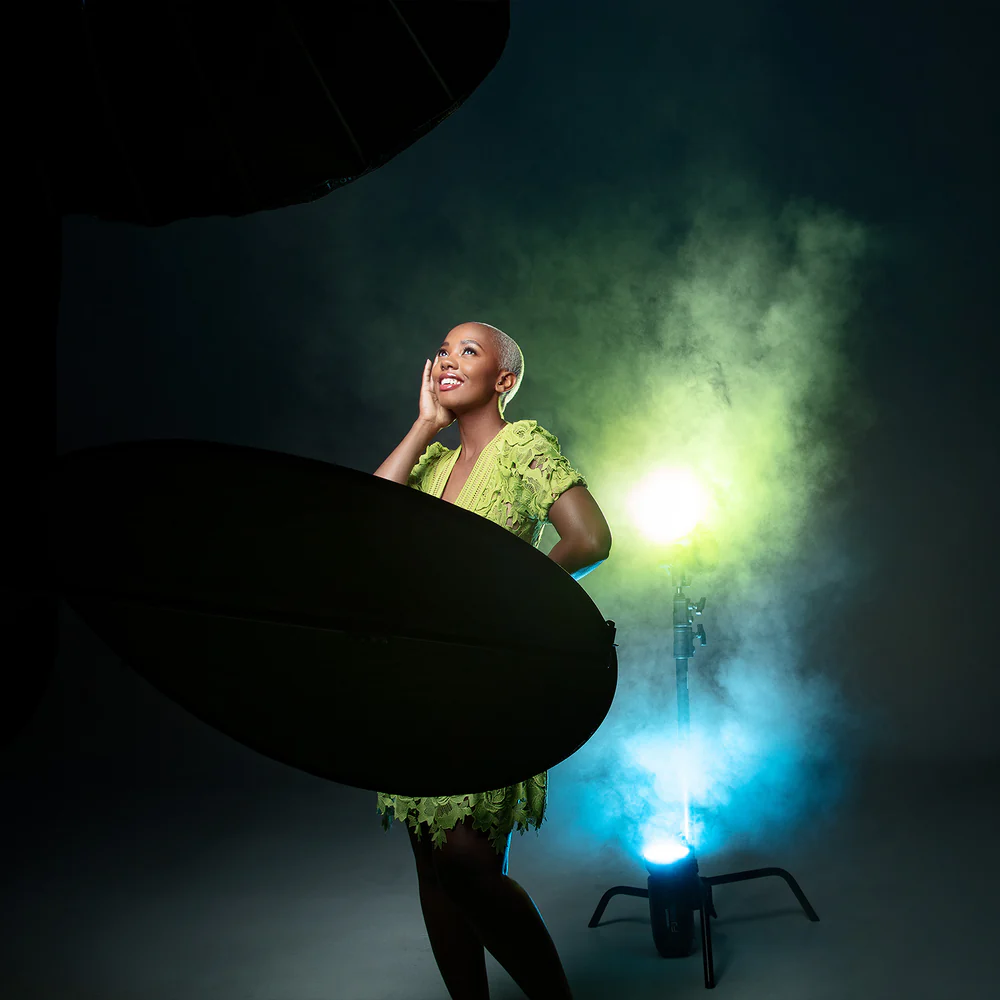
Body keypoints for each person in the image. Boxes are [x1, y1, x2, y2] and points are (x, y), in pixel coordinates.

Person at [373, 322, 612, 1000]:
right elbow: (368, 519)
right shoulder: (433, 463)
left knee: (466, 864)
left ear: (503, 379)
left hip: (486, 687)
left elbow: (590, 538)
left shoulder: (522, 447)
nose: (448, 359)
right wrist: (424, 425)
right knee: (433, 866)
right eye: (443, 350)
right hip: (418, 686)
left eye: (468, 351)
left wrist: (510, 604)